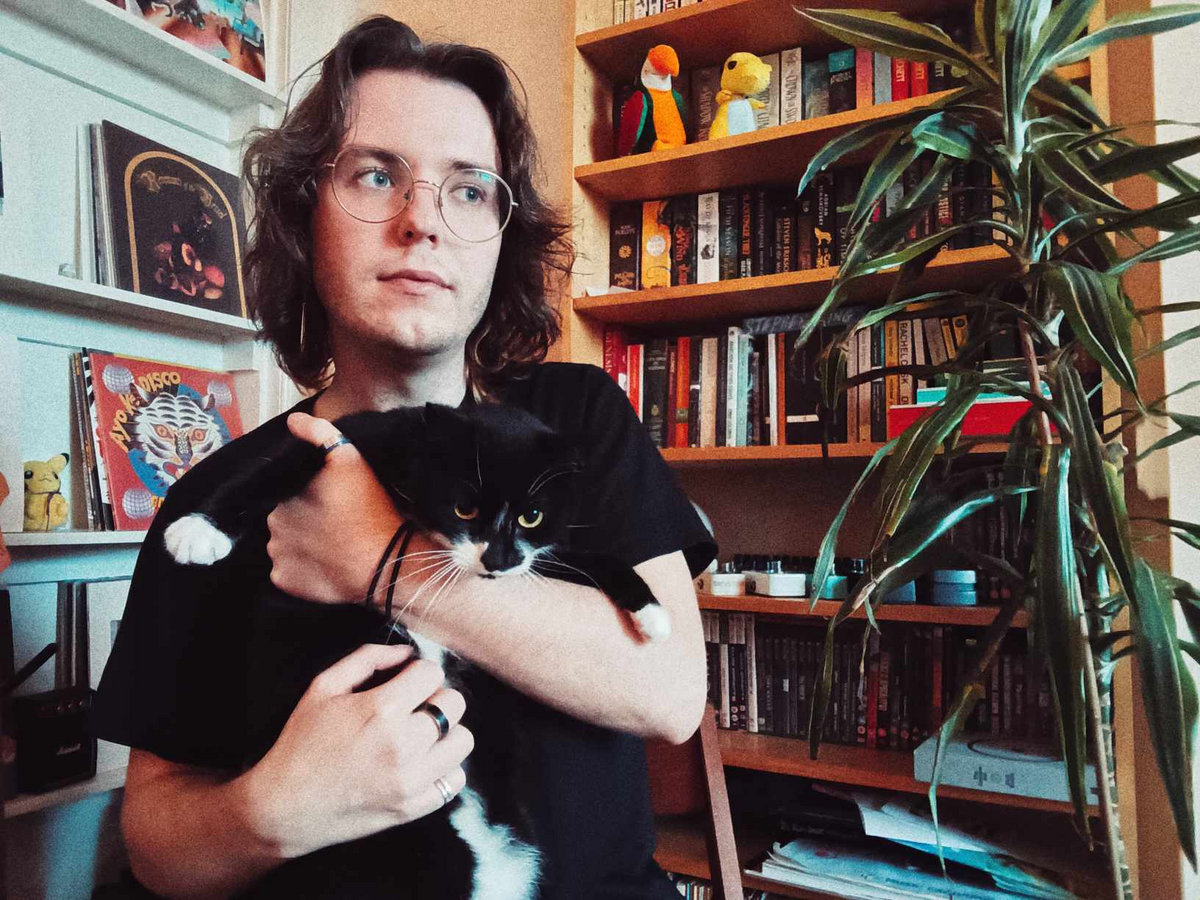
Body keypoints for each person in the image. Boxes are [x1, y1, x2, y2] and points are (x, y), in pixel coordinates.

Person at [94, 15, 716, 899]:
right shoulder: (217, 500)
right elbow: (155, 845)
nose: (422, 221)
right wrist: (270, 813)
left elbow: (670, 691)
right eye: (377, 175)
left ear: (501, 236)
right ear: (306, 217)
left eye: (469, 190)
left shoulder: (575, 422)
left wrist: (376, 558)